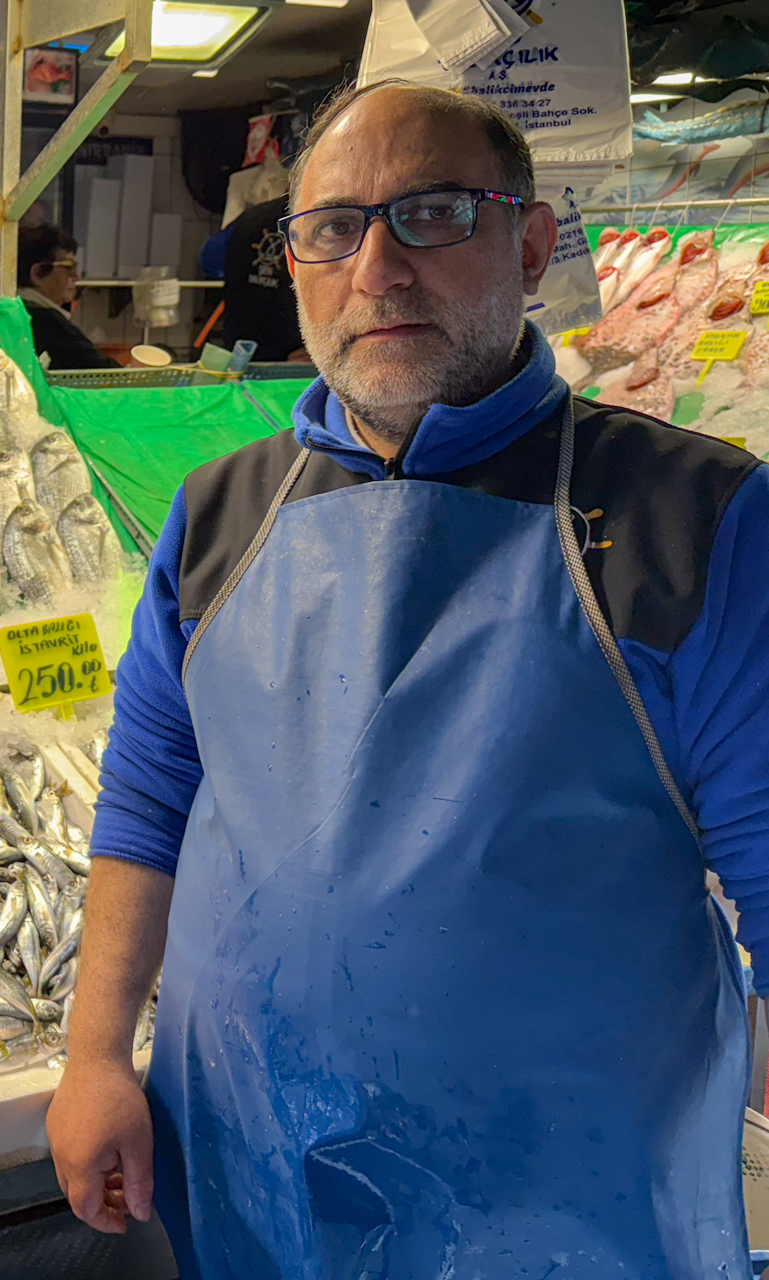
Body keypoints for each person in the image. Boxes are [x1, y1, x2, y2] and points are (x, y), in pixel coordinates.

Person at [47, 78, 769, 1277]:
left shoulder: (699, 519)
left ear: (531, 245)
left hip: (563, 1212)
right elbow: (148, 791)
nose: (377, 268)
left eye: (433, 213)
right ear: (296, 261)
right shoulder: (220, 513)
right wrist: (94, 1053)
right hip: (248, 1171)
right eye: (334, 228)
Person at [215, 192, 305, 361]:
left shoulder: (250, 217)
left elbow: (212, 262)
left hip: (241, 350)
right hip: (294, 355)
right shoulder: (311, 222)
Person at [17, 225, 115, 370]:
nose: (76, 277)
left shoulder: (16, 311)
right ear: (37, 273)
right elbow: (102, 370)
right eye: (69, 267)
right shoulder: (45, 320)